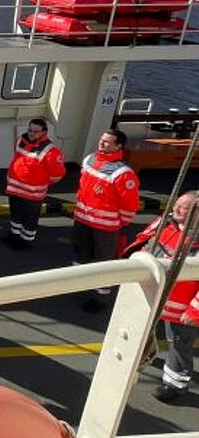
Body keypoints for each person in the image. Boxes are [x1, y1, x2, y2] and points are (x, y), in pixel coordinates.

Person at [123, 191, 199, 403]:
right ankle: (135, 359)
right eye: (178, 203)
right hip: (153, 295)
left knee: (179, 342)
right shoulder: (163, 223)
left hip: (180, 308)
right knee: (139, 329)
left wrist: (194, 312)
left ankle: (175, 384)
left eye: (185, 207)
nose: (176, 208)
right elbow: (143, 241)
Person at [73, 129, 140, 312]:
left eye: (107, 142)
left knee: (104, 262)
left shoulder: (123, 173)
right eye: (102, 140)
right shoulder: (89, 160)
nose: (102, 144)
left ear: (118, 146)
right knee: (81, 254)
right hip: (83, 219)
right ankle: (77, 284)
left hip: (105, 226)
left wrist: (120, 224)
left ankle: (100, 298)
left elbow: (130, 204)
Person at [2, 118, 65, 250]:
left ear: (44, 132)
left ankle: (25, 241)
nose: (32, 133)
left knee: (30, 218)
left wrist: (40, 182)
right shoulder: (20, 140)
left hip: (32, 194)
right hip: (15, 189)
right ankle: (14, 235)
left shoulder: (51, 151)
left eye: (36, 131)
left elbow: (57, 174)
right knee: (16, 214)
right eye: (30, 130)